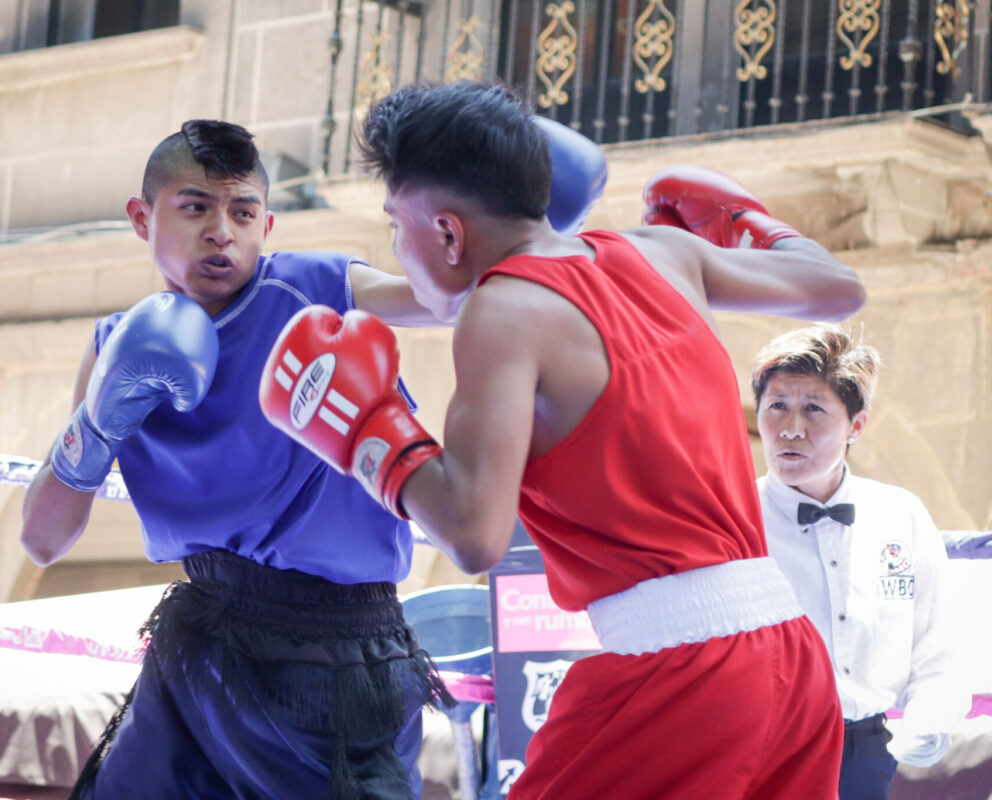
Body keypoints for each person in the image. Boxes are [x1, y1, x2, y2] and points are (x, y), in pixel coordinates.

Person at [259, 80, 867, 799]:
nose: (397, 246)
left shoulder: (502, 310)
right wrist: (741, 220)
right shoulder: (662, 252)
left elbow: (474, 534)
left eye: (397, 224)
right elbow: (836, 287)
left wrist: (370, 435)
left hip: (678, 674)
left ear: (448, 233)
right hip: (791, 656)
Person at [20, 116, 606, 800]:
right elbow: (41, 541)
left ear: (267, 227)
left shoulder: (314, 289)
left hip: (336, 659)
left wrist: (523, 228)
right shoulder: (115, 345)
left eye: (243, 212)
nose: (221, 232)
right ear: (141, 218)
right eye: (195, 208)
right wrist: (99, 421)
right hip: (201, 643)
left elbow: (446, 296)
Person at [752, 324, 968, 800]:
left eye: (814, 408)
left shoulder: (901, 514)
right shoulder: (732, 519)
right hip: (758, 754)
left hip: (869, 755)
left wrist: (928, 721)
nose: (791, 427)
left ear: (856, 425)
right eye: (777, 406)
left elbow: (937, 644)